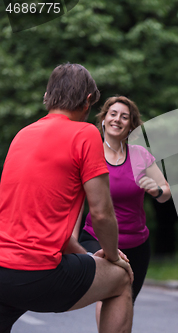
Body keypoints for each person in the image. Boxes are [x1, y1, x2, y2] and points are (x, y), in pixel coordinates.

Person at [0, 63, 134, 333]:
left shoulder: (22, 135)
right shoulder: (84, 134)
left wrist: (85, 257)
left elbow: (45, 229)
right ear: (87, 102)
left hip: (2, 269)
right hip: (39, 274)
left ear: (47, 97)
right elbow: (101, 213)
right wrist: (111, 256)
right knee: (120, 280)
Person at [73, 96, 171, 326]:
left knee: (126, 301)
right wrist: (71, 240)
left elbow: (167, 191)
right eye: (113, 114)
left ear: (131, 125)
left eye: (124, 116)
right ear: (104, 120)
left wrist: (156, 190)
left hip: (137, 243)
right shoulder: (90, 152)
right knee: (109, 295)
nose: (118, 119)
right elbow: (76, 202)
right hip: (98, 238)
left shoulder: (140, 156)